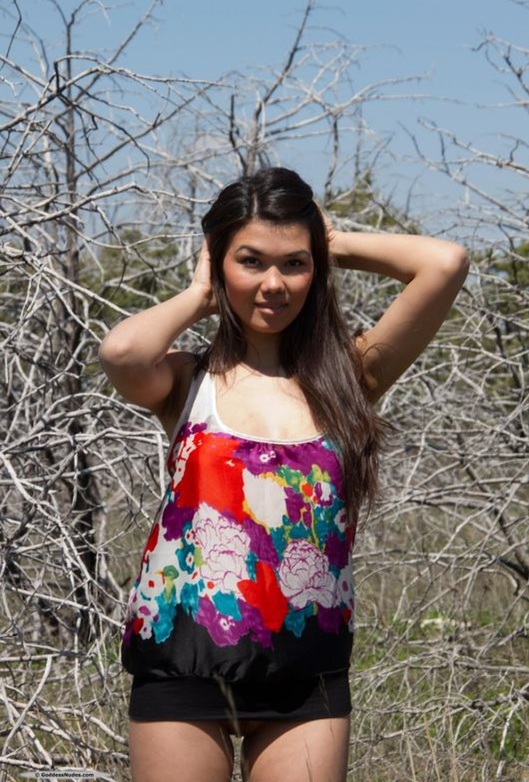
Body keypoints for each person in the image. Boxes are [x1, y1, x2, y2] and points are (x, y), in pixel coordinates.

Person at [99, 167, 469, 782]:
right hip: (183, 660)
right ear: (219, 262)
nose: (273, 283)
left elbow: (445, 262)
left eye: (294, 264)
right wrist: (199, 293)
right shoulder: (187, 381)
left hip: (308, 671)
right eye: (250, 261)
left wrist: (331, 242)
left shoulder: (352, 377)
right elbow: (121, 352)